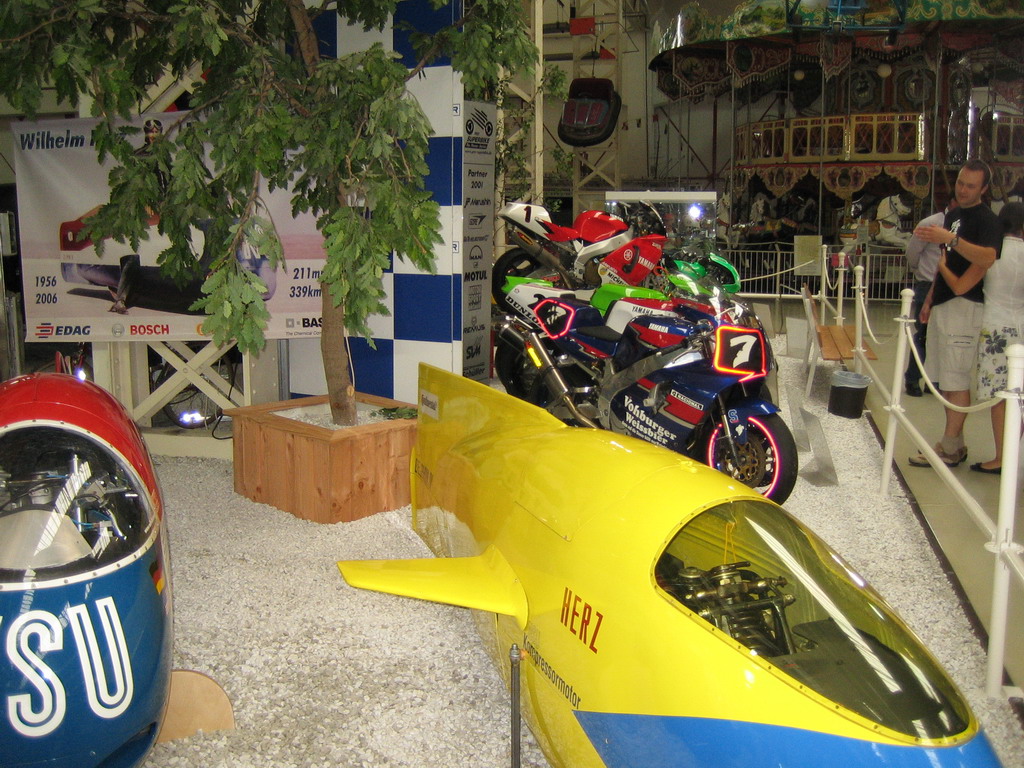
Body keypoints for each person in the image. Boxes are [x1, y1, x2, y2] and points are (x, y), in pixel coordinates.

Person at [909, 160, 1002, 468]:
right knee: (944, 379)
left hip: (965, 307)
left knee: (956, 379)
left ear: (983, 189)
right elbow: (944, 262)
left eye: (970, 186)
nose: (963, 190)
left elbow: (987, 257)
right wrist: (930, 299)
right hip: (944, 303)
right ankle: (955, 443)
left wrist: (951, 239)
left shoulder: (987, 221)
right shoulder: (953, 215)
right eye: (961, 183)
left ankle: (949, 447)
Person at [970, 202, 1024, 474]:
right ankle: (1013, 452)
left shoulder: (992, 253)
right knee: (1020, 395)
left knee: (999, 397)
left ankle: (1002, 456)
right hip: (1021, 326)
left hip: (994, 327)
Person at [903, 206, 952, 396]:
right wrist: (920, 271)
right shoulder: (930, 223)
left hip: (952, 286)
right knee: (923, 334)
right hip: (928, 283)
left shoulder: (965, 224)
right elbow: (912, 252)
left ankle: (934, 380)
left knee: (944, 336)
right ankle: (913, 378)